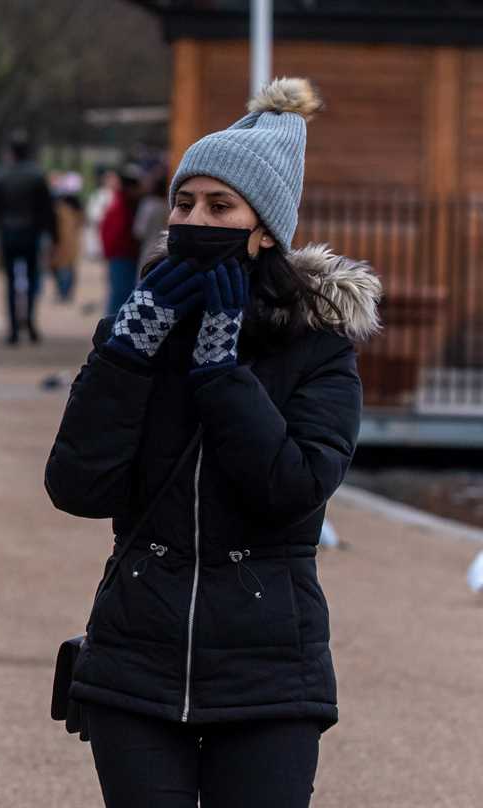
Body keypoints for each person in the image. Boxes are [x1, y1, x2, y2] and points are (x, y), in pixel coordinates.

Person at [44, 78, 382, 808]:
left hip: (269, 669)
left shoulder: (319, 350)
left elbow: (292, 490)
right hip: (134, 658)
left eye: (219, 206)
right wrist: (130, 353)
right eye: (184, 202)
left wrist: (221, 370)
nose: (192, 219)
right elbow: (78, 486)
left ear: (264, 228)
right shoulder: (136, 330)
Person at [0, 134, 56, 345]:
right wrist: (54, 236)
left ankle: (13, 329)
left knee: (10, 282)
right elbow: (47, 209)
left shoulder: (1, 175)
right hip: (31, 232)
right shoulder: (36, 175)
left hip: (8, 232)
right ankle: (31, 322)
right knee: (32, 280)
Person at [99, 166, 140, 316]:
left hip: (121, 255)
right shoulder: (122, 206)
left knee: (120, 294)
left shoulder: (119, 204)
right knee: (120, 294)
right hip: (122, 255)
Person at [50, 172, 85, 304]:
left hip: (63, 242)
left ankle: (63, 293)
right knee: (67, 268)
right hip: (67, 242)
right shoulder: (74, 207)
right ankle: (65, 293)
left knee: (63, 269)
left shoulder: (59, 205)